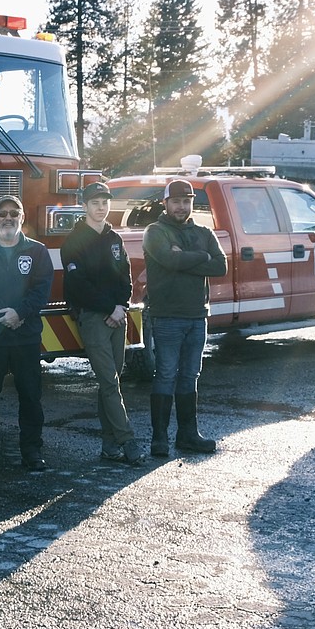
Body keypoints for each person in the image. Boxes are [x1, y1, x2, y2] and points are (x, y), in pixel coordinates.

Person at [0, 195, 53, 472]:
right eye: (2, 213)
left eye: (14, 213)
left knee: (30, 396)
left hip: (25, 335)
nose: (8, 218)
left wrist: (20, 313)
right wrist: (4, 316)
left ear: (22, 217)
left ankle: (32, 451)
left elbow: (41, 291)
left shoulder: (38, 252)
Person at [143, 178, 227, 456]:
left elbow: (221, 266)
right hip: (167, 316)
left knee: (190, 375)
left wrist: (191, 257)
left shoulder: (204, 232)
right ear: (165, 203)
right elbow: (169, 261)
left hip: (197, 316)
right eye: (176, 201)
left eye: (187, 201)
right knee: (166, 374)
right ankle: (160, 439)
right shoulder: (155, 231)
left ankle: (188, 435)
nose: (182, 206)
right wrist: (201, 257)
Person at [62, 181, 143, 466]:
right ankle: (127, 439)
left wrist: (122, 306)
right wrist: (110, 307)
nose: (101, 207)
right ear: (85, 206)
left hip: (117, 315)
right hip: (93, 317)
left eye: (105, 202)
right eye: (95, 202)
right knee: (108, 380)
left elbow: (126, 277)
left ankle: (109, 446)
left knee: (112, 380)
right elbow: (77, 285)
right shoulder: (74, 241)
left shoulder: (114, 239)